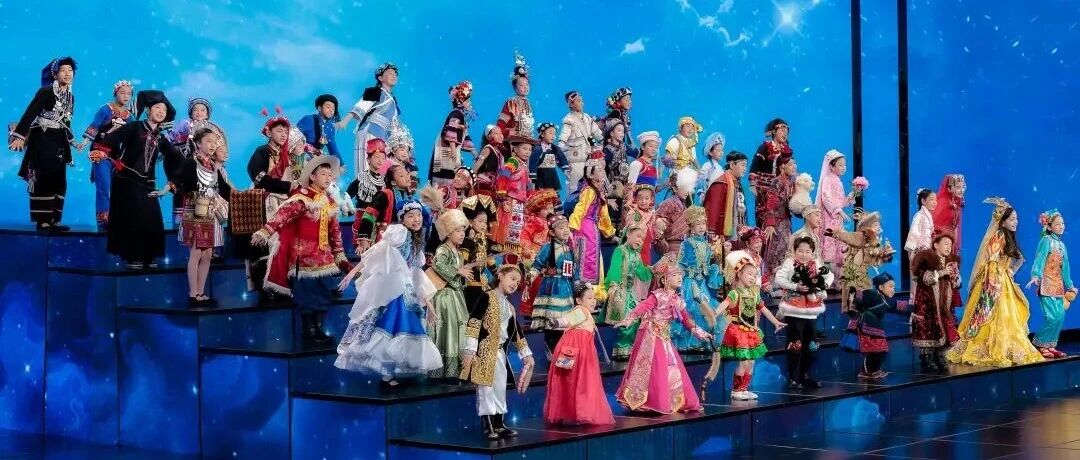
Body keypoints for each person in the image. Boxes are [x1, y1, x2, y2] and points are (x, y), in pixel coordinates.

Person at [336, 200, 442, 384]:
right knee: (392, 325)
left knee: (408, 326)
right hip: (393, 288)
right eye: (410, 216)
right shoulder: (399, 233)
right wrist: (352, 272)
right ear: (402, 219)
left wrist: (429, 304)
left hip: (408, 289)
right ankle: (387, 370)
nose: (416, 219)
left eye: (418, 215)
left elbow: (416, 273)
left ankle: (396, 369)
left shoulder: (417, 240)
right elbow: (376, 252)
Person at [251, 156, 352, 343]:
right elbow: (283, 214)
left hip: (324, 258)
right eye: (323, 174)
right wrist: (266, 231)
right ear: (312, 176)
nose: (328, 178)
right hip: (303, 258)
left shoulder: (330, 202)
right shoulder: (303, 197)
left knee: (323, 294)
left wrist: (341, 257)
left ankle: (319, 328)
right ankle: (309, 331)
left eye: (330, 175)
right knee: (307, 296)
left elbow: (335, 232)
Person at [89, 90, 184, 269]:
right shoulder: (134, 127)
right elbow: (111, 139)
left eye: (164, 110)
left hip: (147, 183)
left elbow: (180, 162)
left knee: (152, 218)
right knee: (134, 218)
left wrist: (172, 183)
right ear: (148, 110)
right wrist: (103, 153)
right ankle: (134, 257)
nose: (161, 112)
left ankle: (148, 256)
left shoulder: (161, 138)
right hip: (126, 180)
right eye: (157, 107)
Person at [946, 198, 1045, 368]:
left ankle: (1005, 348)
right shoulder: (999, 236)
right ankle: (992, 348)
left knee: (1007, 317)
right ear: (1003, 221)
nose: (1015, 222)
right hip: (993, 281)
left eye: (1016, 219)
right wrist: (994, 283)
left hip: (1002, 279)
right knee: (993, 315)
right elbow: (992, 262)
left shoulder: (1007, 236)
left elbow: (1018, 259)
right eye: (1012, 219)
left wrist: (1009, 271)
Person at [614, 255, 711, 414]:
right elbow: (643, 307)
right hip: (650, 336)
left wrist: (701, 333)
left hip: (664, 336)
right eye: (675, 275)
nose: (679, 277)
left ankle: (668, 400)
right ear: (664, 279)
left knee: (670, 368)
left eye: (680, 274)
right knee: (655, 368)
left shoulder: (677, 299)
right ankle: (649, 400)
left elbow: (686, 320)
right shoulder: (657, 295)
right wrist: (629, 319)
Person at [461, 265, 535, 440]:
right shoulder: (486, 296)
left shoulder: (509, 307)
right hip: (484, 351)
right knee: (486, 388)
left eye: (517, 282)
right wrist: (471, 349)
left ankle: (499, 424)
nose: (514, 284)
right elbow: (474, 322)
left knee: (500, 388)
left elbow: (516, 332)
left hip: (500, 352)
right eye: (512, 279)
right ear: (500, 275)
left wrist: (527, 354)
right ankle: (488, 425)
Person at [10, 57, 79, 232]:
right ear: (55, 74)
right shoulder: (46, 92)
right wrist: (19, 136)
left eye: (70, 70)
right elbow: (30, 113)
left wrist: (72, 141)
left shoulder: (70, 97)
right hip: (42, 138)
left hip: (59, 141)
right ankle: (43, 221)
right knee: (44, 176)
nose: (67, 74)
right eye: (63, 70)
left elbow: (66, 122)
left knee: (59, 178)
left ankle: (55, 220)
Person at [543, 281, 616, 426]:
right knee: (580, 381)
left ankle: (571, 411)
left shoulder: (584, 312)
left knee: (570, 380)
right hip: (578, 352)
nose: (593, 301)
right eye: (589, 298)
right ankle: (582, 412)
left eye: (594, 298)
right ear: (578, 300)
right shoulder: (581, 311)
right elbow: (569, 320)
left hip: (574, 350)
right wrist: (557, 322)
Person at [174, 129, 233, 307]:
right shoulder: (190, 162)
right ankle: (193, 294)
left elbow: (224, 189)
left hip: (211, 212)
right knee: (196, 252)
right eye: (209, 141)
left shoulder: (213, 166)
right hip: (196, 210)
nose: (213, 145)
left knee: (207, 254)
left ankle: (201, 292)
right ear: (198, 143)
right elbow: (177, 180)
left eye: (215, 142)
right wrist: (166, 189)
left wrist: (243, 196)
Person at [717, 250, 785, 400]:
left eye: (755, 276)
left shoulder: (754, 294)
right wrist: (714, 314)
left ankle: (744, 388)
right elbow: (724, 305)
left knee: (751, 363)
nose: (753, 278)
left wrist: (775, 322)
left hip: (751, 331)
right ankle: (736, 390)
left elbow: (763, 309)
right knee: (743, 362)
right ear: (739, 274)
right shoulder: (735, 293)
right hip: (738, 331)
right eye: (749, 274)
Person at [774, 236, 834, 389]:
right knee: (796, 344)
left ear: (812, 252)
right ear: (795, 251)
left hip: (811, 311)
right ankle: (793, 377)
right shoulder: (790, 263)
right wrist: (795, 287)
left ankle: (805, 375)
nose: (804, 254)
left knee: (812, 345)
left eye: (807, 251)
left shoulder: (816, 264)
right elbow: (779, 278)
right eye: (800, 251)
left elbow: (830, 275)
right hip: (794, 311)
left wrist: (823, 286)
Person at [82, 79, 135, 230]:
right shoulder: (105, 110)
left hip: (117, 158)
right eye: (122, 93)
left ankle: (118, 219)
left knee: (120, 189)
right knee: (104, 187)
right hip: (100, 153)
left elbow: (134, 136)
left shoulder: (129, 116)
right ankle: (103, 222)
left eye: (129, 94)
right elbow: (94, 126)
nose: (126, 96)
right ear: (115, 93)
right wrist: (84, 143)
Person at [427, 209, 472, 379]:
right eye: (457, 231)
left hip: (456, 295)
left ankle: (457, 369)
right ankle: (442, 369)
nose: (462, 234)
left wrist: (463, 276)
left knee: (458, 328)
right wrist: (458, 271)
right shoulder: (442, 250)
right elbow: (438, 265)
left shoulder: (458, 253)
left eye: (463, 231)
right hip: (445, 296)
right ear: (448, 233)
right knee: (448, 328)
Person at [673, 206, 724, 352]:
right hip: (689, 282)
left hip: (701, 284)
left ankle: (701, 340)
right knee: (691, 309)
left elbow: (706, 268)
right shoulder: (687, 243)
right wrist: (679, 280)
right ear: (691, 227)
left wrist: (714, 268)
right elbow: (680, 264)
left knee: (705, 310)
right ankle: (691, 342)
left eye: (703, 223)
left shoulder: (707, 246)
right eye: (698, 224)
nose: (702, 227)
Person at [908, 230, 961, 372]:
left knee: (945, 327)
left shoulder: (951, 261)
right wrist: (942, 272)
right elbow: (925, 279)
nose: (949, 247)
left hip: (944, 304)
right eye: (945, 244)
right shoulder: (926, 259)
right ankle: (926, 358)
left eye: (950, 245)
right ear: (936, 245)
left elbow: (956, 285)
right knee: (929, 328)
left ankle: (940, 355)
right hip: (928, 303)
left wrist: (955, 277)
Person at [824, 210, 896, 313]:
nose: (878, 227)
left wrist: (886, 255)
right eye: (875, 225)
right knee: (854, 303)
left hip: (863, 276)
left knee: (865, 302)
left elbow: (876, 262)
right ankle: (854, 313)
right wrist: (836, 233)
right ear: (868, 226)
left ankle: (861, 316)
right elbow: (849, 237)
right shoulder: (861, 236)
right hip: (852, 275)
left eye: (878, 224)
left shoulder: (874, 242)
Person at [527, 214, 579, 351]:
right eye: (561, 228)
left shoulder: (569, 249)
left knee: (564, 325)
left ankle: (561, 352)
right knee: (552, 325)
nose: (566, 230)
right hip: (552, 289)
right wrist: (530, 278)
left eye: (567, 227)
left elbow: (572, 271)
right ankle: (551, 352)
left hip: (566, 288)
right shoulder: (548, 248)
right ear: (552, 232)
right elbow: (537, 266)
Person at [338, 62, 400, 176]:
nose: (394, 75)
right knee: (365, 167)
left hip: (383, 138)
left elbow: (394, 125)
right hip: (369, 131)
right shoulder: (375, 91)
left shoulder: (393, 101)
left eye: (395, 74)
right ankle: (362, 185)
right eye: (390, 73)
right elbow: (361, 106)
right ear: (380, 78)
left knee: (380, 170)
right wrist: (345, 120)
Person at [1028, 210, 1075, 358]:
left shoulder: (1062, 245)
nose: (1061, 226)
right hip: (1046, 284)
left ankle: (1051, 345)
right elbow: (1040, 259)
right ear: (1049, 227)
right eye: (1057, 224)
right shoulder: (1046, 241)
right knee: (1052, 317)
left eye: (1062, 223)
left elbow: (1065, 268)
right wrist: (1036, 275)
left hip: (1058, 286)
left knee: (1060, 317)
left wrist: (1070, 285)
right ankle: (1040, 343)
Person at [604, 225, 653, 360]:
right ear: (628, 235)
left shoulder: (636, 255)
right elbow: (614, 270)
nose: (640, 240)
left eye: (642, 239)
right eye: (637, 236)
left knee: (634, 318)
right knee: (626, 319)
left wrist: (653, 270)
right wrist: (613, 287)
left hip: (630, 293)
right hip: (619, 290)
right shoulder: (620, 251)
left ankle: (627, 347)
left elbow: (643, 274)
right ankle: (622, 347)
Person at [851, 273, 909, 380]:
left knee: (880, 350)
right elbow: (860, 298)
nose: (893, 289)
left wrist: (911, 308)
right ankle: (867, 371)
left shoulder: (882, 298)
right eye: (890, 286)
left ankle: (873, 370)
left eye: (894, 287)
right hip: (867, 326)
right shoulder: (873, 294)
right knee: (875, 350)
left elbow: (893, 305)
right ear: (881, 287)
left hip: (874, 326)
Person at [569, 154, 615, 286]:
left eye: (603, 169)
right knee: (586, 257)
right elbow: (580, 208)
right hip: (585, 228)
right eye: (599, 170)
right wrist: (572, 227)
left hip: (592, 229)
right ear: (591, 175)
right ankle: (583, 287)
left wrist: (610, 232)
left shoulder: (598, 192)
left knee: (591, 257)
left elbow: (604, 215)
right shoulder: (589, 191)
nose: (602, 172)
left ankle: (591, 288)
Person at [353, 163, 415, 254]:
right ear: (393, 182)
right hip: (384, 238)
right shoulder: (385, 194)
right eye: (401, 176)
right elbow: (369, 215)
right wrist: (364, 238)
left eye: (407, 174)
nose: (407, 177)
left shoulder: (408, 197)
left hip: (402, 239)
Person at [493, 135, 536, 257]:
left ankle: (511, 256)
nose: (527, 152)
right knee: (507, 229)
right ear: (515, 149)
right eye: (524, 148)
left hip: (519, 203)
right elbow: (502, 177)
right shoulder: (513, 161)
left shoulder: (524, 166)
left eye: (529, 149)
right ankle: (504, 256)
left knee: (515, 231)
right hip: (510, 200)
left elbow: (528, 185)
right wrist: (503, 199)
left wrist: (531, 200)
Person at [459, 195, 502, 310]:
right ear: (471, 222)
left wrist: (497, 274)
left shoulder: (485, 241)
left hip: (481, 282)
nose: (484, 225)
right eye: (480, 221)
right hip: (469, 283)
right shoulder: (467, 241)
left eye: (485, 222)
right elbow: (463, 262)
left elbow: (489, 259)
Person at [815, 149, 854, 275]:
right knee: (830, 245)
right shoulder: (827, 179)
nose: (844, 168)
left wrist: (853, 194)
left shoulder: (837, 180)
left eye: (845, 165)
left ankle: (837, 277)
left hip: (837, 219)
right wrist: (839, 211)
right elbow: (826, 199)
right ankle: (828, 277)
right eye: (840, 165)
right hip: (829, 219)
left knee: (838, 245)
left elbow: (840, 202)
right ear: (831, 166)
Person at [932, 174, 966, 316]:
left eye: (963, 187)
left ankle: (948, 310)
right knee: (944, 275)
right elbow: (936, 227)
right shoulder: (944, 203)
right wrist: (945, 244)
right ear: (949, 188)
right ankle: (940, 310)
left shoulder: (956, 202)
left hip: (951, 245)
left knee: (952, 275)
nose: (961, 190)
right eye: (958, 187)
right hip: (943, 246)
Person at [430, 81, 475, 185]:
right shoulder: (457, 114)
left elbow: (465, 136)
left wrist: (474, 152)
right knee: (446, 176)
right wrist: (453, 150)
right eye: (468, 101)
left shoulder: (460, 115)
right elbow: (451, 131)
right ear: (460, 102)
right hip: (447, 152)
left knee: (447, 175)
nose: (470, 103)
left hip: (448, 150)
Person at [558, 90, 602, 191]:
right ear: (571, 104)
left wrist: (603, 141)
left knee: (591, 183)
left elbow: (597, 132)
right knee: (575, 184)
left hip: (588, 156)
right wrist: (560, 146)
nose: (581, 103)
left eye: (582, 101)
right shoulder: (569, 119)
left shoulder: (587, 117)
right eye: (578, 101)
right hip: (575, 158)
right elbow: (564, 135)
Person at [703, 151, 749, 241]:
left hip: (738, 229)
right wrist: (711, 229)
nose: (745, 169)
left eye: (745, 166)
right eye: (742, 165)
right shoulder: (721, 183)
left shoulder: (737, 183)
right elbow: (713, 208)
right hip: (721, 233)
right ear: (732, 165)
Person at [655, 168, 698, 255]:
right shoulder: (668, 203)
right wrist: (662, 241)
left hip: (684, 245)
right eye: (684, 188)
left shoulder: (685, 205)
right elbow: (658, 224)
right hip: (672, 246)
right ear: (675, 189)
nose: (687, 191)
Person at [905, 188, 937, 302]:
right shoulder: (919, 216)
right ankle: (916, 306)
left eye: (936, 200)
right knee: (919, 283)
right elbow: (913, 235)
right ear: (923, 201)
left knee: (927, 282)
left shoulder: (928, 216)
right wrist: (916, 255)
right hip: (920, 254)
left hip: (927, 254)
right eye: (931, 199)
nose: (935, 202)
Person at [749, 118, 793, 200]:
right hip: (764, 188)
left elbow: (789, 168)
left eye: (787, 132)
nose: (785, 134)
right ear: (774, 131)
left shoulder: (786, 151)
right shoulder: (765, 147)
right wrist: (752, 184)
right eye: (783, 131)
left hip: (780, 189)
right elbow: (755, 165)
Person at [496, 52, 534, 138]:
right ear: (514, 87)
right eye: (521, 85)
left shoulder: (527, 103)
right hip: (513, 138)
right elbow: (501, 125)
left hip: (526, 137)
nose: (525, 88)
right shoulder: (511, 102)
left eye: (527, 84)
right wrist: (510, 132)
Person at [622, 184, 661, 265]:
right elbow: (628, 230)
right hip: (634, 246)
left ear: (651, 199)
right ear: (636, 198)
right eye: (640, 198)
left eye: (646, 198)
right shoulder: (632, 212)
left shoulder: (652, 215)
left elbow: (653, 232)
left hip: (646, 247)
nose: (643, 201)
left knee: (645, 266)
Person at [297, 94, 343, 162]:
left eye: (333, 109)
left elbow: (333, 148)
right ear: (319, 108)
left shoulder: (330, 128)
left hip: (316, 158)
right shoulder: (308, 119)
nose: (331, 110)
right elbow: (294, 137)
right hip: (301, 156)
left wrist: (341, 164)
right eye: (328, 107)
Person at [530, 122, 570, 192]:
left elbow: (562, 159)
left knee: (553, 196)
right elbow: (533, 164)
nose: (553, 136)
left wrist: (567, 171)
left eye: (554, 134)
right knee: (542, 196)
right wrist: (532, 179)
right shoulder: (537, 148)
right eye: (550, 133)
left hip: (552, 177)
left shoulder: (555, 148)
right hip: (541, 178)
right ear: (542, 134)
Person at [472, 125, 506, 198]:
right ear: (489, 136)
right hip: (484, 184)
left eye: (501, 133)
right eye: (496, 133)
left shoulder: (499, 152)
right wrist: (470, 181)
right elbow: (477, 165)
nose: (500, 135)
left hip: (493, 185)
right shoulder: (487, 149)